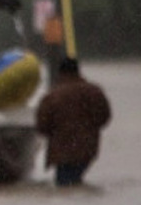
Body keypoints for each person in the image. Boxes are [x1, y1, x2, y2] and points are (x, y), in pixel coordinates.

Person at [35, 57, 112, 187]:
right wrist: (90, 129)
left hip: (61, 153)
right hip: (88, 150)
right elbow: (104, 117)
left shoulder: (52, 96)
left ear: (60, 73)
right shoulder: (95, 92)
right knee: (75, 182)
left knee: (64, 186)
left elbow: (42, 126)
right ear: (78, 71)